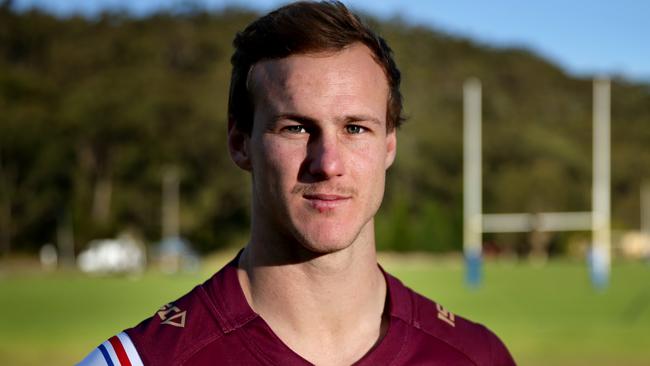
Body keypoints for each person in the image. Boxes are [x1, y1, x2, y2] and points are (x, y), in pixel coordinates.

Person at [79, 1, 516, 365]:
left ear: (389, 146)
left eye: (356, 129)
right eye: (296, 128)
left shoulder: (477, 357)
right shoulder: (142, 360)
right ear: (240, 142)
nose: (327, 163)